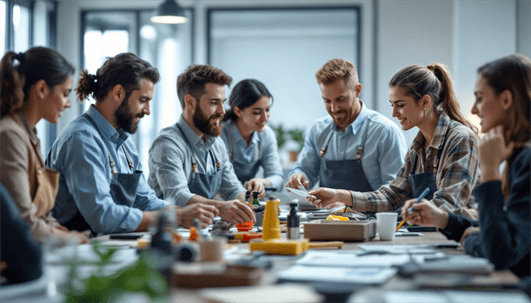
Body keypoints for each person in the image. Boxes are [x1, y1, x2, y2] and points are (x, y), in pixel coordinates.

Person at [46, 53, 218, 234]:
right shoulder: (81, 139)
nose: (148, 111)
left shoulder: (124, 143)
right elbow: (102, 216)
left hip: (109, 247)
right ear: (118, 93)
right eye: (143, 100)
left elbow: (145, 202)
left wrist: (187, 213)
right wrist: (177, 217)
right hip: (79, 252)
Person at [401, 54, 530, 279]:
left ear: (506, 99)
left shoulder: (526, 161)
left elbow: (499, 252)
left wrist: (489, 170)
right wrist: (444, 220)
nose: (474, 110)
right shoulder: (517, 156)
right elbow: (503, 232)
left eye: (479, 98)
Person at [309, 63, 480, 220]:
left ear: (425, 102)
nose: (394, 114)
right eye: (392, 105)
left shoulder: (460, 139)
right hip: (432, 235)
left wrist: (409, 214)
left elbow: (447, 206)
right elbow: (391, 197)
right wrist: (340, 196)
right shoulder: (418, 147)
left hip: (459, 240)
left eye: (400, 105)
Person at [148, 65, 257, 224]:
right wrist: (221, 208)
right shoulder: (167, 143)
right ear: (190, 102)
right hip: (169, 233)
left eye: (223, 102)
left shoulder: (216, 143)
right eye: (214, 102)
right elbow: (178, 195)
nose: (222, 111)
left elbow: (233, 189)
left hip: (203, 230)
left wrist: (251, 206)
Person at [0, 47, 88, 243]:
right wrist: (72, 240)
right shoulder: (10, 135)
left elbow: (43, 213)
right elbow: (24, 221)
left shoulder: (28, 134)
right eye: (65, 94)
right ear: (41, 89)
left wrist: (64, 234)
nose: (68, 104)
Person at [286, 59, 407, 195]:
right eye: (327, 100)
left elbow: (396, 191)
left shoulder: (385, 132)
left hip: (371, 216)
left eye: (340, 99)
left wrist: (351, 203)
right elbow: (305, 169)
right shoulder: (318, 130)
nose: (334, 108)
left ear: (357, 90)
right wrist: (299, 176)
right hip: (327, 216)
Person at [220, 79, 284, 193]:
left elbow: (277, 178)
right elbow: (218, 181)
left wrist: (262, 182)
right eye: (257, 112)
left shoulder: (267, 135)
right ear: (238, 111)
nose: (265, 118)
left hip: (246, 200)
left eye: (267, 110)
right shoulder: (220, 134)